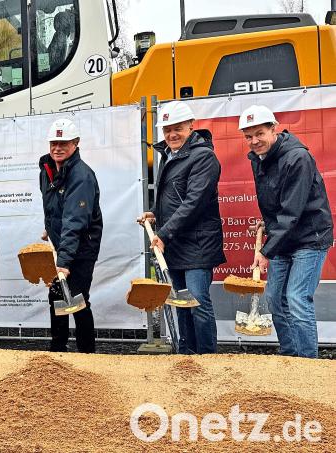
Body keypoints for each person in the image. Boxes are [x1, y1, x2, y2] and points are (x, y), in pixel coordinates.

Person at [240, 105, 333, 358]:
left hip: (309, 238)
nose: (254, 141)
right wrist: (266, 225)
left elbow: (292, 211)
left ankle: (308, 362)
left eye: (259, 133)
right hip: (284, 238)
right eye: (248, 136)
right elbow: (276, 203)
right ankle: (290, 358)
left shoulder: (297, 158)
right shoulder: (259, 158)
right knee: (274, 297)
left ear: (274, 129)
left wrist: (265, 251)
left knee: (296, 298)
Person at [138, 101, 225, 355]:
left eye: (177, 128)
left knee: (197, 302)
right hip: (176, 244)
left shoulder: (204, 157)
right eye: (167, 130)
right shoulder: (170, 155)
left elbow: (194, 202)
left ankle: (206, 358)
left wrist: (164, 234)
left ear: (191, 126)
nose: (172, 134)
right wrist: (155, 214)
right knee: (181, 303)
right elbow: (174, 197)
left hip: (198, 243)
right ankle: (186, 357)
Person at [39, 118, 102, 353]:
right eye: (54, 143)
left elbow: (75, 221)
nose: (57, 148)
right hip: (62, 244)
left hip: (82, 247)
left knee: (77, 298)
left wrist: (64, 263)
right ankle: (58, 350)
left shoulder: (81, 176)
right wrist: (50, 228)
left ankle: (87, 353)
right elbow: (55, 207)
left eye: (63, 143)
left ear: (75, 143)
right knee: (56, 296)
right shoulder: (47, 169)